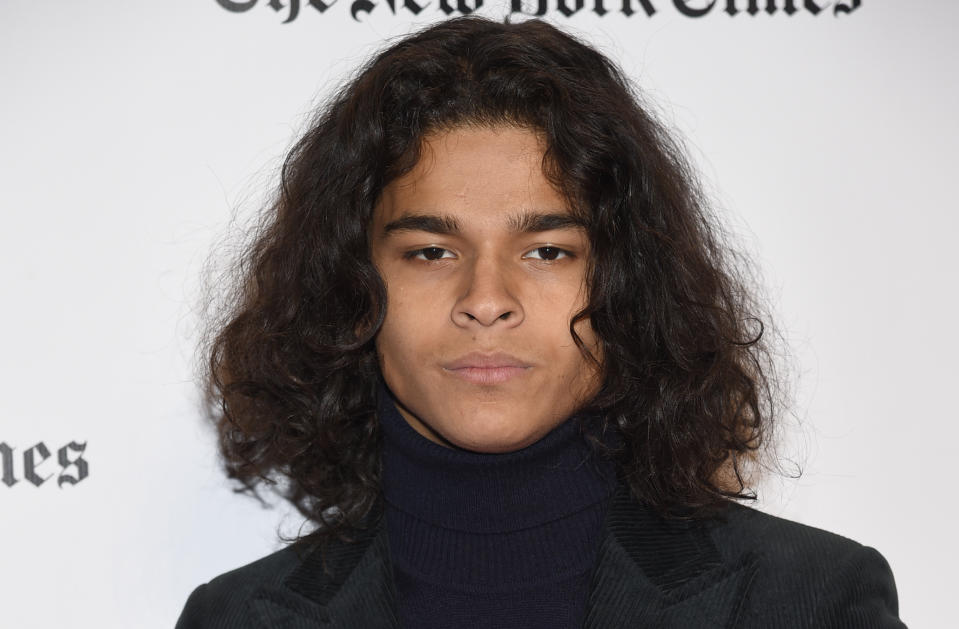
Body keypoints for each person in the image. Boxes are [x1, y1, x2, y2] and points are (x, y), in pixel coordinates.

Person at [176, 16, 904, 629]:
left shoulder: (810, 599)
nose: (486, 298)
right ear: (349, 287)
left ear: (628, 281)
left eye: (548, 250)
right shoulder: (234, 617)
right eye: (431, 250)